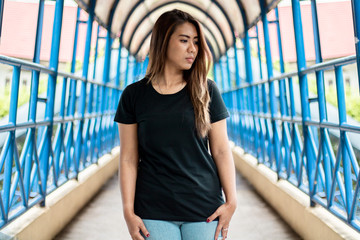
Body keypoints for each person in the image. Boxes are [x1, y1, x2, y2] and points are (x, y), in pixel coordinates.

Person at [114, 9, 236, 240]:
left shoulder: (207, 90)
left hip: (204, 207)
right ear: (163, 41)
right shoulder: (134, 95)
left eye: (196, 42)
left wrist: (232, 201)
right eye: (184, 40)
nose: (193, 49)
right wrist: (128, 212)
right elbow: (128, 158)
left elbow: (220, 149)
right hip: (153, 208)